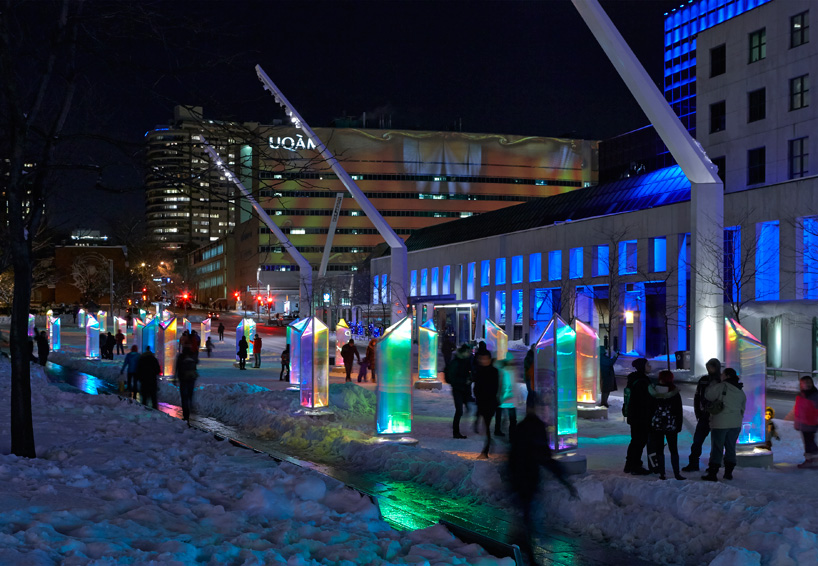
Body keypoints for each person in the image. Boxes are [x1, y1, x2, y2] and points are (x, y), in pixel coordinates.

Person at [507, 393, 578, 566]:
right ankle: (526, 556)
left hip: (520, 479)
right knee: (532, 520)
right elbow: (544, 456)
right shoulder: (536, 427)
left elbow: (512, 456)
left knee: (527, 518)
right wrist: (564, 480)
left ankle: (518, 551)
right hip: (529, 479)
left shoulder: (521, 427)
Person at [702, 367, 746, 481]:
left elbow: (708, 395)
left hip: (720, 423)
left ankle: (712, 474)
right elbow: (742, 408)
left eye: (723, 374)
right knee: (731, 447)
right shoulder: (740, 390)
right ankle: (728, 473)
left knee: (717, 448)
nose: (721, 376)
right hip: (735, 424)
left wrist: (711, 385)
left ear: (726, 376)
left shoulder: (721, 386)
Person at [682, 358, 722, 472]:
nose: (709, 369)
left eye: (711, 367)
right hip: (704, 416)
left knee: (716, 442)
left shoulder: (721, 381)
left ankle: (713, 465)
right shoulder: (704, 380)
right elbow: (697, 397)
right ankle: (693, 463)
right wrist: (698, 412)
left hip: (717, 416)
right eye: (708, 367)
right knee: (697, 441)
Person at [647, 370, 684, 480]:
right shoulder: (674, 392)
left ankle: (662, 473)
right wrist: (679, 425)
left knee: (659, 449)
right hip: (671, 425)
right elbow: (678, 410)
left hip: (657, 425)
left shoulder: (653, 391)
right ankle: (677, 473)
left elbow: (649, 409)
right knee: (673, 449)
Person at [624, 358, 653, 475]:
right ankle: (635, 465)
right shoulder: (642, 381)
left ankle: (629, 464)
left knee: (635, 440)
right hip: (641, 416)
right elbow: (645, 401)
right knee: (640, 441)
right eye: (648, 364)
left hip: (633, 415)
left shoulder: (633, 379)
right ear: (642, 367)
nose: (650, 366)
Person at [473, 350, 499, 459]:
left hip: (489, 403)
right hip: (481, 402)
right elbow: (477, 386)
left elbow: (494, 388)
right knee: (484, 425)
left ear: (489, 359)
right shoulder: (479, 370)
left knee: (487, 426)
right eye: (481, 359)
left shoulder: (493, 371)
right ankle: (486, 448)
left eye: (485, 359)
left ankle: (485, 450)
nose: (483, 361)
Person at [445, 344, 473, 439]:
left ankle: (458, 429)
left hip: (463, 389)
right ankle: (456, 432)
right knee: (459, 411)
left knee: (463, 410)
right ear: (463, 352)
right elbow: (452, 378)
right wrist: (464, 381)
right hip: (457, 389)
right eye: (468, 352)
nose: (469, 353)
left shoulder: (465, 361)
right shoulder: (456, 362)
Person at [793, 376, 818, 468]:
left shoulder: (815, 395)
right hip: (803, 424)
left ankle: (813, 459)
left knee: (810, 442)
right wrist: (797, 422)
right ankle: (810, 460)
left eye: (808, 382)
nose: (806, 384)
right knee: (807, 443)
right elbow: (797, 410)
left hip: (811, 423)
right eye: (804, 383)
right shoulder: (800, 395)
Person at [494, 353, 518, 438]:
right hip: (506, 396)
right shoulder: (505, 371)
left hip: (505, 396)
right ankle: (512, 435)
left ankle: (500, 431)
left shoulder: (503, 370)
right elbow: (506, 384)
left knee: (501, 415)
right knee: (510, 417)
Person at [175, 346, 198, 422]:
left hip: (183, 379)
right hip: (191, 379)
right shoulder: (192, 356)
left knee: (184, 397)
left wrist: (175, 377)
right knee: (190, 394)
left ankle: (186, 414)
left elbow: (177, 367)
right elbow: (196, 364)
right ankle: (191, 406)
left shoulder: (181, 357)